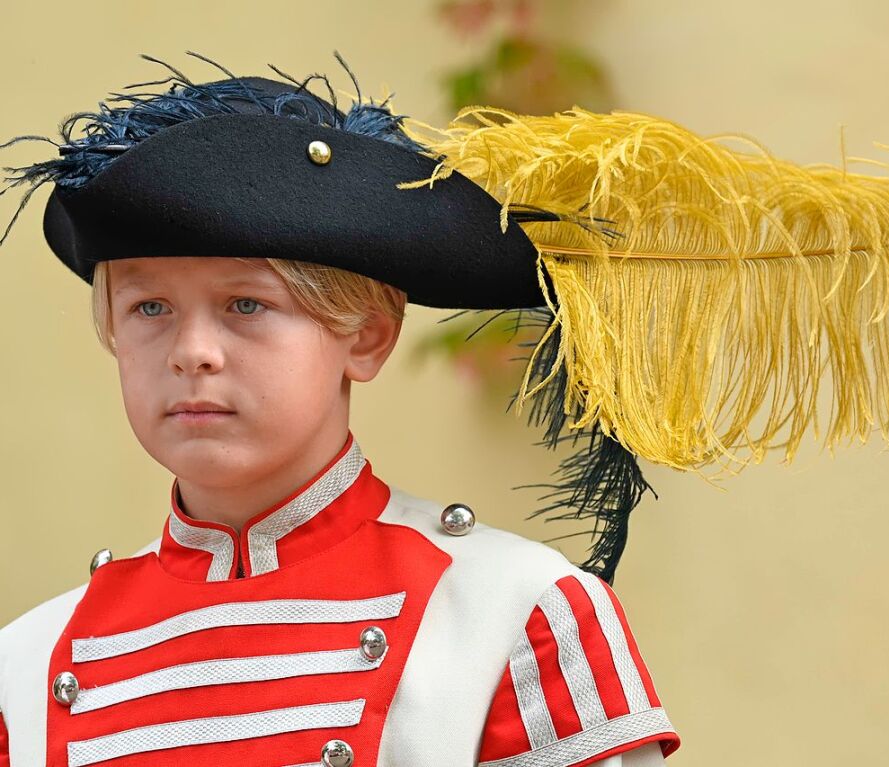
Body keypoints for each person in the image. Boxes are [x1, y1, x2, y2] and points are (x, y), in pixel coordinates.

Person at [0, 54, 681, 766]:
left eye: (246, 304)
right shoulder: (24, 665)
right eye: (149, 307)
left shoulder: (516, 613)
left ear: (366, 336)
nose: (191, 351)